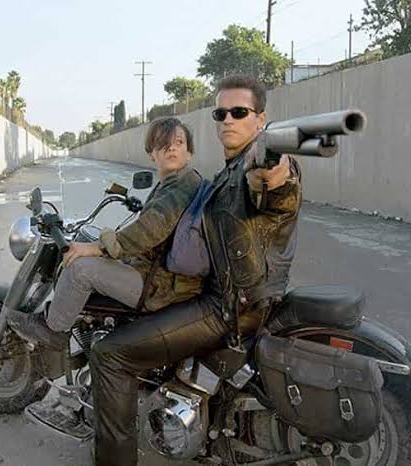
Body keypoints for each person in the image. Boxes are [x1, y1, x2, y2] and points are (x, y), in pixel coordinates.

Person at [88, 74, 302, 466]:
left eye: (240, 112)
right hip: (228, 298)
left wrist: (275, 169)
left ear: (260, 119)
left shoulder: (252, 166)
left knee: (109, 354)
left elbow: (273, 184)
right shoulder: (227, 172)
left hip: (228, 308)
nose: (228, 119)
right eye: (221, 113)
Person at [8, 117, 206, 349]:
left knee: (79, 268)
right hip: (158, 273)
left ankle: (53, 330)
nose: (171, 148)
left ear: (189, 152)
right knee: (87, 246)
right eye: (163, 143)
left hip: (159, 285)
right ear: (151, 153)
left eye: (179, 142)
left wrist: (97, 248)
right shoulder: (174, 183)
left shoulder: (182, 185)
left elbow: (151, 229)